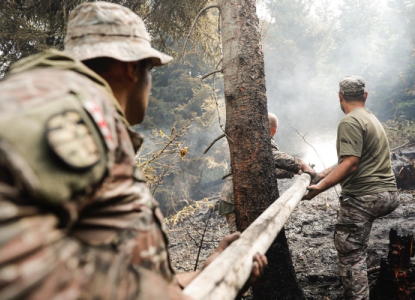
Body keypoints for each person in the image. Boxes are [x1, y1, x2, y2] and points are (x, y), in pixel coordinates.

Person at [0, 2, 267, 299]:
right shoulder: (68, 108)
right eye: (150, 69)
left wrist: (208, 275)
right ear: (132, 68)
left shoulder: (86, 114)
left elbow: (107, 266)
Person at [303, 76, 399, 300]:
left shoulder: (349, 121)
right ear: (365, 96)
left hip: (364, 198)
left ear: (340, 97)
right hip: (387, 194)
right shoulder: (370, 118)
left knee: (351, 257)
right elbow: (350, 158)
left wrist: (319, 188)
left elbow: (351, 163)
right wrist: (320, 175)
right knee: (358, 252)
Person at [219, 112, 316, 233]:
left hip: (239, 195)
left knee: (248, 233)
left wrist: (294, 172)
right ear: (275, 128)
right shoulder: (259, 140)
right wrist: (301, 164)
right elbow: (274, 156)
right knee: (237, 236)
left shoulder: (254, 138)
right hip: (232, 196)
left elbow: (268, 169)